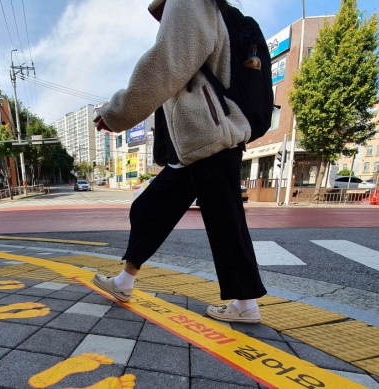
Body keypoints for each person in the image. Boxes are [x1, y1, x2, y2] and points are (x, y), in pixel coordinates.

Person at [92, 0, 267, 323]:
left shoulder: (189, 1)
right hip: (201, 137)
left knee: (224, 220)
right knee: (153, 208)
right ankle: (124, 281)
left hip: (209, 134)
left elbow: (164, 65)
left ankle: (245, 304)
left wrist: (115, 112)